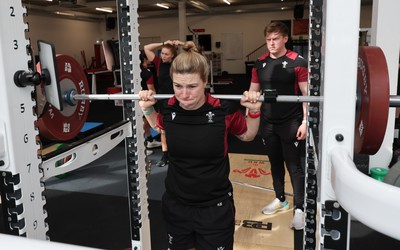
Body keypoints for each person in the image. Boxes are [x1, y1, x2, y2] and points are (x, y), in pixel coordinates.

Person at [139, 41, 262, 250]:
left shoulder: (223, 109)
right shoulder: (169, 108)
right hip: (176, 204)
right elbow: (159, 125)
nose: (184, 94)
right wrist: (147, 109)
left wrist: (253, 111)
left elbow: (248, 135)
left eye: (192, 86)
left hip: (214, 208)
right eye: (178, 86)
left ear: (205, 81)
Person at [248, 21, 308, 230]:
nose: (271, 44)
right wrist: (251, 107)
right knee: (274, 163)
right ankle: (280, 198)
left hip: (291, 121)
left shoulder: (298, 61)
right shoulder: (260, 62)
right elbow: (252, 92)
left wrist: (305, 121)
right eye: (268, 40)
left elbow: (306, 94)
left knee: (294, 165)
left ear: (285, 39)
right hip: (268, 122)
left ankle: (299, 208)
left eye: (275, 39)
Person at [144, 40, 184, 167]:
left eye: (167, 54)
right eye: (162, 53)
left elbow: (194, 53)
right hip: (163, 100)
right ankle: (165, 155)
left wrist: (181, 44)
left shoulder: (179, 63)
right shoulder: (158, 62)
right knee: (163, 130)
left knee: (179, 127)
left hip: (177, 99)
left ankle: (180, 153)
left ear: (173, 55)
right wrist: (162, 43)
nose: (163, 56)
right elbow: (146, 48)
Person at [139, 50, 161, 155]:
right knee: (144, 123)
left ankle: (150, 141)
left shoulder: (137, 70)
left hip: (138, 99)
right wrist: (157, 99)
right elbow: (151, 89)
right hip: (145, 101)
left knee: (146, 122)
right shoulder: (147, 72)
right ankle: (141, 147)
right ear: (145, 59)